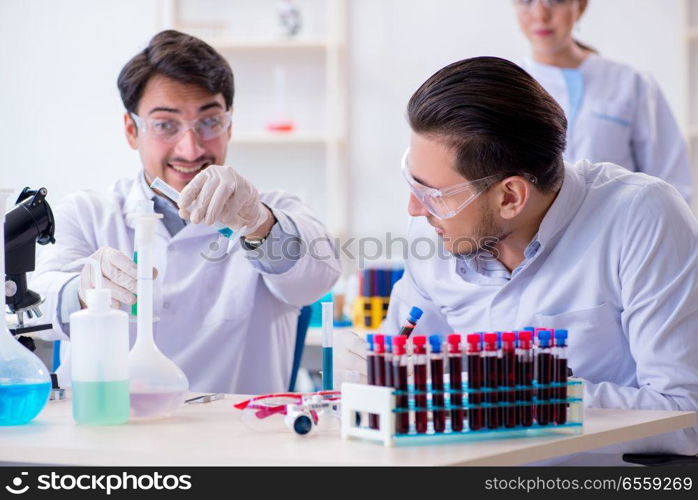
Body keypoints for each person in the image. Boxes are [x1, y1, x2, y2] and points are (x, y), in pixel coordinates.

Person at [337, 56, 698, 464]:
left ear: (510, 197)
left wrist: (519, 391)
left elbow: (685, 414)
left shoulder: (640, 216)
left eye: (434, 194)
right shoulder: (437, 230)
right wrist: (374, 376)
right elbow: (404, 368)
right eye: (414, 183)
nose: (415, 209)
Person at [31, 30, 341, 394]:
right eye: (165, 125)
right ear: (132, 130)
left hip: (237, 440)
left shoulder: (277, 210)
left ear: (230, 124)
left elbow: (317, 279)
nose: (191, 149)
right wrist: (82, 291)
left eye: (209, 122)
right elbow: (32, 309)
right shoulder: (87, 214)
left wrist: (257, 222)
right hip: (110, 435)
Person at [514, 0, 693, 202]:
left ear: (580, 6)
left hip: (627, 229)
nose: (540, 14)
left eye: (555, 0)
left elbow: (671, 182)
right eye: (526, 1)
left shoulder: (631, 83)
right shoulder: (506, 88)